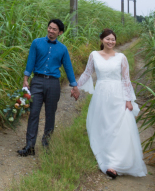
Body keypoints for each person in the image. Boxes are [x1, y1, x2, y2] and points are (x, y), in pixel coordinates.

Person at [76, 29, 147, 179]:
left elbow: (126, 79)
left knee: (118, 126)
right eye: (108, 39)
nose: (110, 42)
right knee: (103, 125)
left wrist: (128, 100)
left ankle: (115, 162)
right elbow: (87, 73)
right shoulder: (94, 55)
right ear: (102, 40)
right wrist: (76, 86)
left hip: (118, 94)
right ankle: (106, 156)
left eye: (113, 39)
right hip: (101, 95)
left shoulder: (121, 57)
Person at [17, 18, 80, 156]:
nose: (51, 31)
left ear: (60, 33)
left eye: (54, 29)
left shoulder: (62, 49)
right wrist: (26, 79)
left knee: (50, 114)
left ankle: (46, 143)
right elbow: (30, 61)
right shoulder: (37, 43)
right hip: (37, 82)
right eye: (49, 28)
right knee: (33, 113)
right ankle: (30, 146)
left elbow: (68, 68)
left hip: (53, 83)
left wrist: (74, 86)